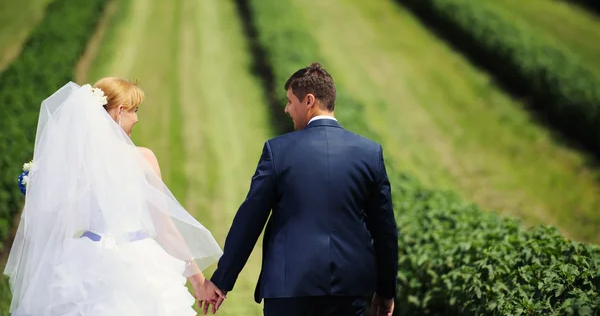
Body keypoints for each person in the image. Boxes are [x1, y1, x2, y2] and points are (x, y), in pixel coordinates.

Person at [4, 78, 224, 316]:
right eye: (135, 111)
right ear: (120, 111)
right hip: (137, 265)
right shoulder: (143, 158)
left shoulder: (72, 164)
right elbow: (165, 229)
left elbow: (58, 223)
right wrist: (199, 282)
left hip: (83, 262)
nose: (137, 119)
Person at [208, 63, 399, 316]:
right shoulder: (369, 153)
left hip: (289, 291)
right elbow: (385, 231)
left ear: (309, 101)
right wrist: (386, 292)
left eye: (290, 101)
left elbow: (250, 219)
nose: (287, 108)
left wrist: (222, 280)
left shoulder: (278, 151)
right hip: (348, 292)